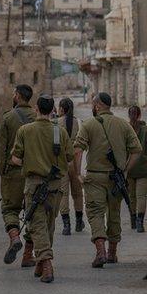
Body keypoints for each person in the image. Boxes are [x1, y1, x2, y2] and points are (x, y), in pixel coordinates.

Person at [10, 95, 74, 283]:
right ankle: (40, 262)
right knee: (48, 225)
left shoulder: (25, 130)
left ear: (36, 108)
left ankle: (46, 264)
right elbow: (69, 156)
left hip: (34, 186)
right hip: (55, 187)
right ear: (52, 109)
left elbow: (15, 158)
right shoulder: (60, 131)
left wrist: (30, 162)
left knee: (37, 226)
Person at [74, 92, 141, 267]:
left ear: (97, 106)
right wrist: (125, 170)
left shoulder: (88, 124)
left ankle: (100, 252)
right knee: (114, 213)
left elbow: (78, 150)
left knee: (95, 212)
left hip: (95, 177)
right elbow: (136, 150)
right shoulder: (123, 125)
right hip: (116, 178)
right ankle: (112, 253)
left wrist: (78, 174)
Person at [0, 84, 37, 267]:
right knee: (33, 214)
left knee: (10, 209)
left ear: (18, 96)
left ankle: (14, 237)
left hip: (12, 172)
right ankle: (28, 255)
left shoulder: (8, 118)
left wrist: (3, 171)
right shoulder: (38, 118)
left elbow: (0, 150)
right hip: (35, 174)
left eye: (14, 93)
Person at [126, 105, 147, 234]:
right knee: (141, 195)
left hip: (128, 168)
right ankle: (140, 223)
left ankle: (133, 221)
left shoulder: (125, 130)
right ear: (140, 115)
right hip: (144, 170)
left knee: (131, 196)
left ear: (128, 115)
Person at [57, 97, 85, 236]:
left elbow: (55, 147)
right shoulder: (79, 123)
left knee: (63, 194)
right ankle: (79, 222)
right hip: (75, 162)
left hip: (61, 163)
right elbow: (82, 145)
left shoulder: (56, 124)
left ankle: (66, 225)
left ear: (61, 109)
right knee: (77, 193)